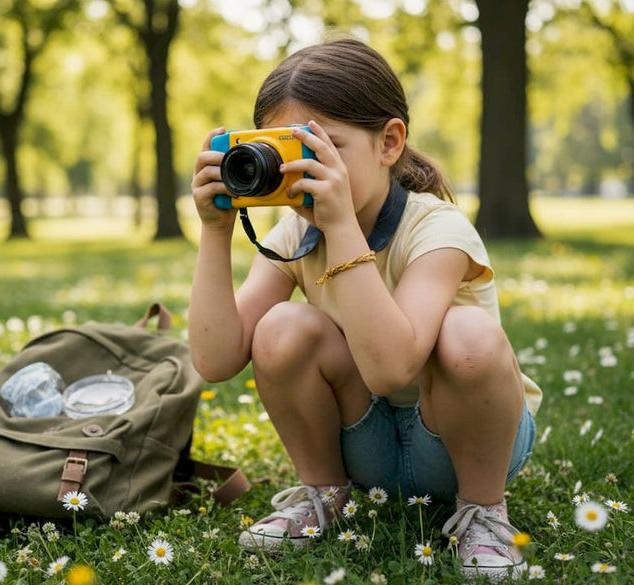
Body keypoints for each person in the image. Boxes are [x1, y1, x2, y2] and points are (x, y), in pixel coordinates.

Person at [188, 37, 542, 581]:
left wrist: (340, 227)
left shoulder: (437, 228)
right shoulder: (295, 232)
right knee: (281, 327)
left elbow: (391, 368)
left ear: (390, 142)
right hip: (364, 444)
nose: (306, 169)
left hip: (461, 444)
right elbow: (215, 361)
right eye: (288, 151)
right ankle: (325, 496)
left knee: (467, 334)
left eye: (326, 147)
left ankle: (482, 512)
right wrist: (214, 232)